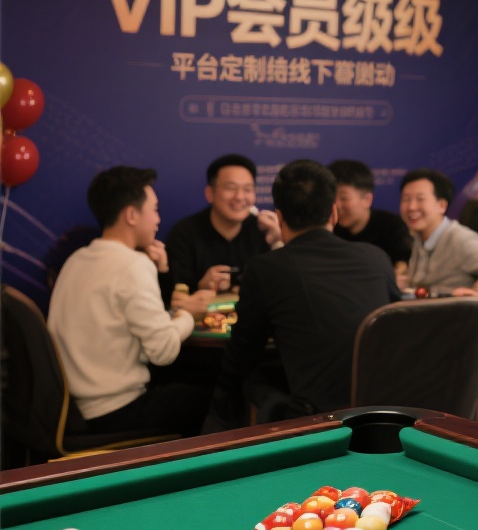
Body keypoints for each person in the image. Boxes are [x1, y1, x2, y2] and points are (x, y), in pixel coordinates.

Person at [204, 160, 399, 429]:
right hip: (388, 414)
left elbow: (242, 354)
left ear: (279, 217)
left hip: (319, 423)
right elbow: (397, 330)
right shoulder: (377, 258)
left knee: (248, 381)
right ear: (333, 213)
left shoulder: (265, 269)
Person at [47, 167, 208, 436]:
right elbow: (164, 351)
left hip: (71, 410)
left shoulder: (76, 259)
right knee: (216, 399)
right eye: (154, 209)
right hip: (113, 411)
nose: (158, 219)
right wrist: (186, 316)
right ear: (131, 215)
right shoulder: (132, 265)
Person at [160, 154, 282, 315]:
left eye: (247, 189)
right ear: (210, 193)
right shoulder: (184, 233)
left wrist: (278, 243)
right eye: (231, 188)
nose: (240, 197)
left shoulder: (263, 231)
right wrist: (200, 286)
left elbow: (280, 291)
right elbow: (174, 298)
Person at [400, 168, 478, 297]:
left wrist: (477, 290)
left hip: (452, 309)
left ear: (442, 205)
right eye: (406, 199)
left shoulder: (460, 239)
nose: (411, 207)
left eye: (420, 199)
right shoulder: (418, 237)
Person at [327, 159, 412, 273]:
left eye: (344, 198)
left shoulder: (392, 227)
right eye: (332, 197)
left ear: (367, 199)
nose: (336, 205)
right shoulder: (329, 228)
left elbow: (401, 267)